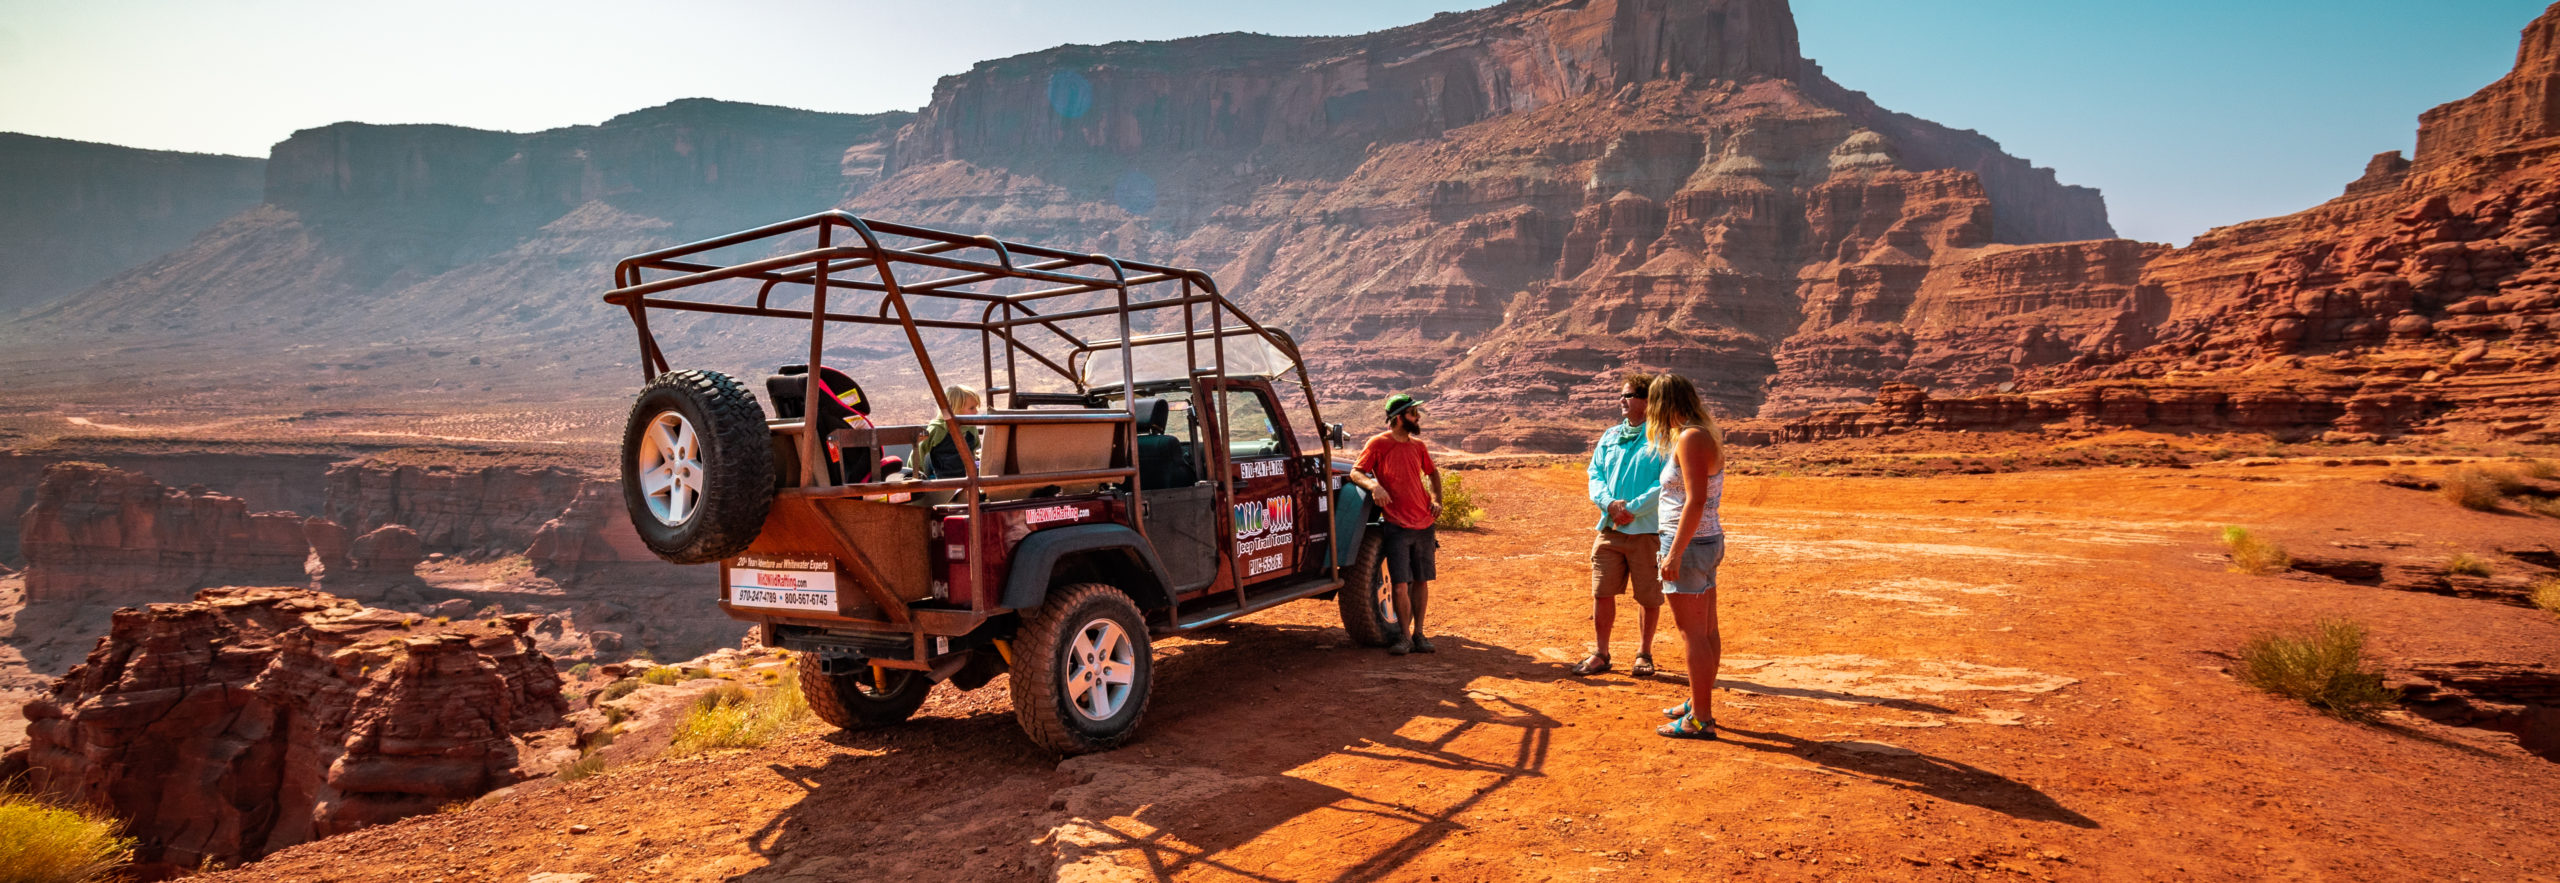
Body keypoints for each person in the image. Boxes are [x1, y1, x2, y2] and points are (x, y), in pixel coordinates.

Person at [1648, 374, 1727, 740]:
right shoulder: (1703, 433)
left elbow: (1694, 500)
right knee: (1706, 629)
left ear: (1665, 404)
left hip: (1689, 545)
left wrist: (1673, 553)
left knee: (1692, 633)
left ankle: (1701, 719)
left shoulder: (1690, 437)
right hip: (1705, 542)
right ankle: (1699, 703)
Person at [1576, 372, 1667, 678]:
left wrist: (1633, 508)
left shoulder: (1663, 437)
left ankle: (1644, 653)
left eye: (1629, 396)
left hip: (1646, 531)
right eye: (1622, 395)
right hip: (1610, 528)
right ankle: (1601, 653)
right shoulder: (1610, 436)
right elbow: (1595, 474)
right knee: (1602, 592)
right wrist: (1610, 505)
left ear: (1646, 400)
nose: (1623, 401)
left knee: (1648, 595)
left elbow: (1665, 482)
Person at [1348, 393, 1441, 655]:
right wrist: (1374, 485)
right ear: (1399, 418)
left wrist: (1436, 500)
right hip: (1397, 525)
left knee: (1421, 581)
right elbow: (1356, 472)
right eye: (1413, 413)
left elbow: (1433, 474)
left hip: (1424, 522)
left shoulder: (1418, 446)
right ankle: (1404, 637)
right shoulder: (1378, 443)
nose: (1418, 417)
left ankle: (1419, 634)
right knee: (1400, 582)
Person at [917, 385, 983, 479]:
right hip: (946, 480)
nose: (976, 411)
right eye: (972, 408)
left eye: (976, 407)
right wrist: (916, 474)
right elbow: (919, 450)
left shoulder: (971, 428)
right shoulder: (937, 429)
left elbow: (976, 449)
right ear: (954, 408)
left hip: (969, 478)